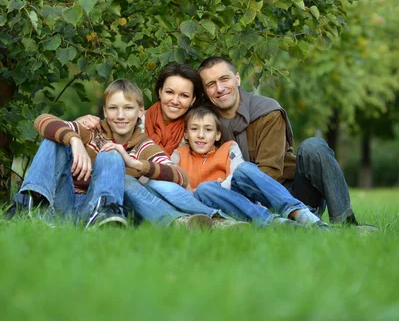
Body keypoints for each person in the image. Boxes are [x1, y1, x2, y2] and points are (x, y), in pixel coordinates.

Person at [196, 56, 378, 230]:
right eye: (211, 84)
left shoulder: (267, 112)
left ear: (237, 78)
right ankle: (280, 223)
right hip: (238, 198)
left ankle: (346, 223)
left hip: (289, 192)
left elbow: (270, 173)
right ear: (205, 91)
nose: (219, 88)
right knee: (207, 189)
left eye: (224, 79)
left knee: (313, 146)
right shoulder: (204, 124)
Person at [7, 79, 196, 228]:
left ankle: (105, 214)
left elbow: (180, 175)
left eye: (128, 108)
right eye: (113, 108)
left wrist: (135, 163)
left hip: (94, 206)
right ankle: (27, 201)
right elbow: (42, 120)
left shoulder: (144, 145)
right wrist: (74, 140)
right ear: (105, 111)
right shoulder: (92, 131)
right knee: (54, 138)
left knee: (111, 155)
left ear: (140, 112)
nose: (120, 115)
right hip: (65, 201)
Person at [77, 66, 223, 227]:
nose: (175, 100)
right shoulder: (134, 120)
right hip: (136, 193)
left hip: (180, 193)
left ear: (193, 100)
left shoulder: (195, 130)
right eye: (170, 92)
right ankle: (198, 221)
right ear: (160, 92)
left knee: (158, 184)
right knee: (131, 181)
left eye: (184, 95)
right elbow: (110, 123)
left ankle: (211, 219)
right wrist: (81, 125)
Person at [173, 106, 328, 228]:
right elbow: (172, 187)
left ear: (218, 134)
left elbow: (236, 174)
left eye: (208, 129)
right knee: (205, 189)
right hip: (212, 203)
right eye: (194, 129)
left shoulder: (228, 148)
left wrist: (222, 185)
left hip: (239, 197)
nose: (201, 135)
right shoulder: (179, 154)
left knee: (245, 168)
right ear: (186, 134)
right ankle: (273, 222)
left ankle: (300, 213)